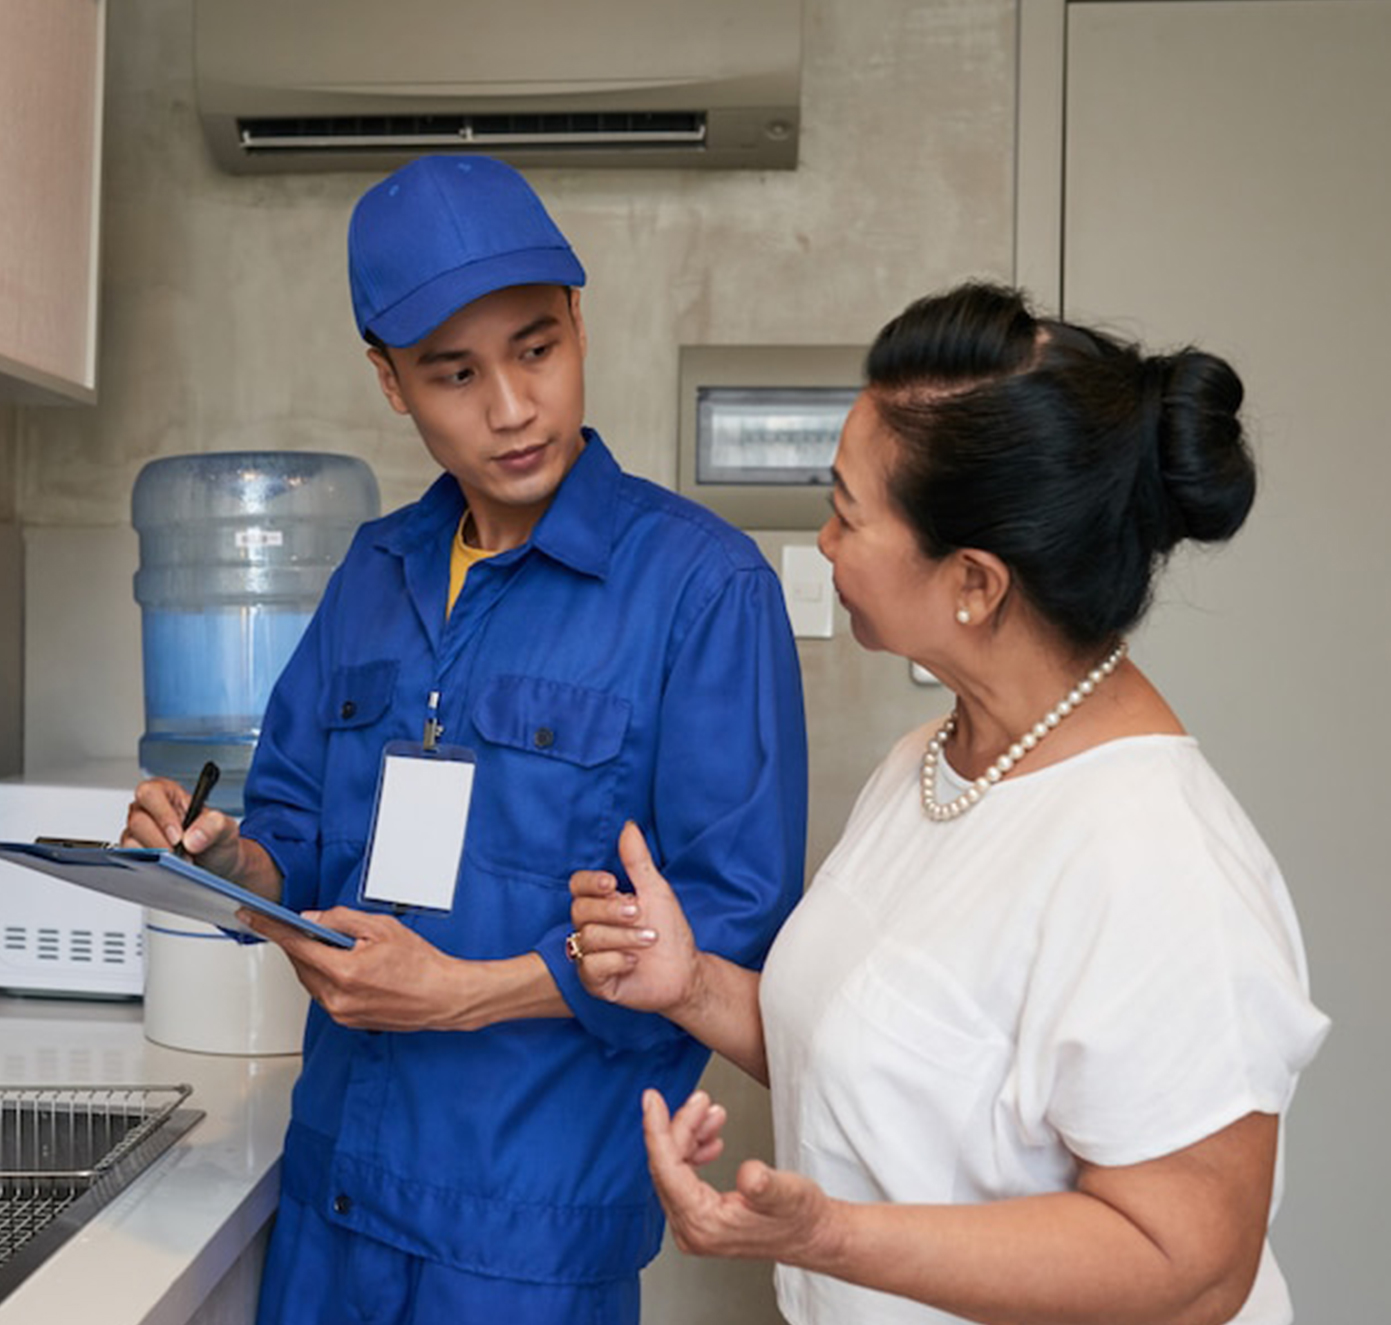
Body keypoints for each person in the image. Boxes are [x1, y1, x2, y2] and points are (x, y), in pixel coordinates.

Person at [121, 154, 808, 1322]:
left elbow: (726, 924)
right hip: (332, 1196)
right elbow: (293, 832)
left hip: (524, 1231)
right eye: (455, 372)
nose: (511, 407)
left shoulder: (702, 588)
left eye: (537, 349)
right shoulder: (374, 570)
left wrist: (466, 992)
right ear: (390, 382)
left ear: (578, 320)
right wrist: (221, 857)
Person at [566, 281, 1330, 1325]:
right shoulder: (927, 764)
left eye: (847, 511)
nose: (824, 542)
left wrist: (830, 1235)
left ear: (973, 582)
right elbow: (883, 1070)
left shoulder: (1158, 860)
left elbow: (1189, 1266)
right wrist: (689, 982)